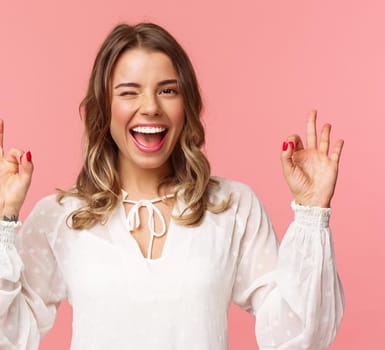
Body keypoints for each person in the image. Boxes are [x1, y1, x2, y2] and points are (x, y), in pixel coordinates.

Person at [0, 22, 344, 349]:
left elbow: (298, 339)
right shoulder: (62, 218)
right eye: (128, 92)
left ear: (187, 104)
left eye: (167, 90)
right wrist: (3, 217)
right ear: (103, 109)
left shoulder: (232, 206)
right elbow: (9, 337)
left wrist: (312, 212)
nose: (150, 107)